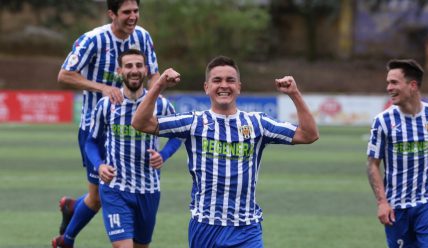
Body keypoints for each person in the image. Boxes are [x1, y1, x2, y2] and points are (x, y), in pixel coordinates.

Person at [131, 55, 319, 247]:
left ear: (239, 87)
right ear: (206, 87)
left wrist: (294, 94)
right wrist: (159, 85)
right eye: (217, 80)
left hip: (247, 228)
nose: (224, 85)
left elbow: (309, 134)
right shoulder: (193, 122)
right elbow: (140, 123)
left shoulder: (258, 123)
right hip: (205, 227)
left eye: (230, 80)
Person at [52, 0, 160, 247]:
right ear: (112, 14)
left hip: (130, 128)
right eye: (126, 12)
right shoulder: (93, 39)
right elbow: (64, 74)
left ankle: (70, 213)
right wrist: (102, 88)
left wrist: (155, 93)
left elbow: (154, 72)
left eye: (136, 11)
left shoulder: (142, 36)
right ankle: (66, 238)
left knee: (104, 193)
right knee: (101, 194)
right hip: (96, 127)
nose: (133, 17)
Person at [87, 49, 180, 248]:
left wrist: (163, 155)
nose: (134, 70)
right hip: (115, 187)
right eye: (129, 66)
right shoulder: (106, 105)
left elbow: (177, 135)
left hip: (149, 189)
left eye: (139, 65)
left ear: (146, 69)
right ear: (120, 71)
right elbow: (91, 142)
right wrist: (99, 166)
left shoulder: (161, 105)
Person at [366, 59, 428, 248]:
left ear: (412, 85)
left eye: (394, 82)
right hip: (396, 209)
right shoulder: (382, 121)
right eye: (388, 83)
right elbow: (373, 164)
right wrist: (382, 203)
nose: (389, 87)